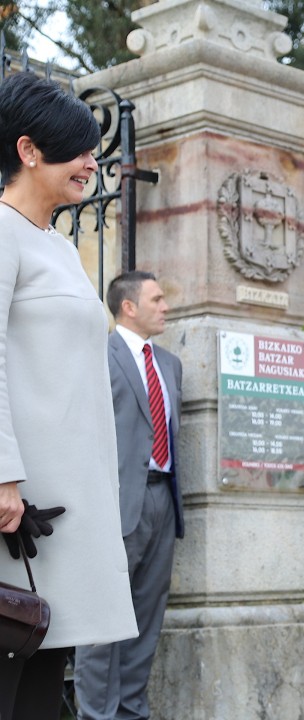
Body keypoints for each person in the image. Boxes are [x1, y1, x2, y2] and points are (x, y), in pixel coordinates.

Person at [0, 71, 138, 720]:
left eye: (93, 151)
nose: (91, 164)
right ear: (28, 150)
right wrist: (3, 477)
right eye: (77, 151)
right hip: (20, 509)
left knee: (43, 673)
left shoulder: (56, 244)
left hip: (67, 504)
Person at [74, 271, 184, 720]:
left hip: (162, 501)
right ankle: (96, 714)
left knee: (146, 618)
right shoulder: (99, 355)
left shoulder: (170, 364)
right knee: (102, 621)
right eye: (156, 299)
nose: (165, 307)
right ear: (128, 307)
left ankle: (131, 712)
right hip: (114, 504)